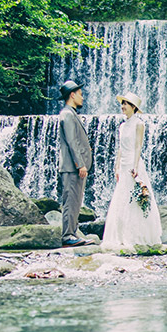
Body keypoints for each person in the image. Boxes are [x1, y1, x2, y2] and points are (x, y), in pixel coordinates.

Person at [102, 92, 162, 250]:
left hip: (133, 164)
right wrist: (116, 166)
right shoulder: (122, 126)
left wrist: (135, 166)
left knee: (134, 200)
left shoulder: (139, 124)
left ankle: (136, 235)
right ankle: (121, 235)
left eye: (125, 104)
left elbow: (138, 146)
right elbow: (121, 148)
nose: (122, 107)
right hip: (123, 165)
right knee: (122, 199)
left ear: (134, 107)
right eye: (122, 104)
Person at [57, 80, 93, 247]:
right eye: (80, 94)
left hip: (73, 167)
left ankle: (72, 233)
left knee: (75, 201)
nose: (83, 98)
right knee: (71, 201)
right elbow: (72, 142)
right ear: (72, 95)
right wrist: (80, 164)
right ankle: (68, 236)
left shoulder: (70, 113)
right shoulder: (68, 114)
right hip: (72, 167)